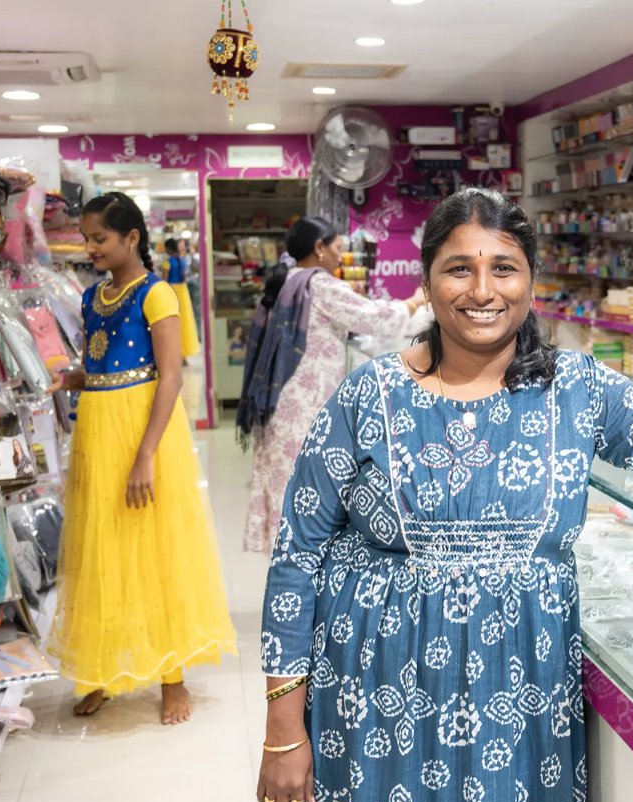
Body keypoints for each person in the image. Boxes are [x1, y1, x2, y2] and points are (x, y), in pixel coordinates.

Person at [255, 188, 633, 802]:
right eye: (459, 269)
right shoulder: (370, 396)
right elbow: (296, 558)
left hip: (519, 705)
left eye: (504, 269)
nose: (483, 291)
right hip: (374, 701)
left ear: (532, 281)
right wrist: (283, 728)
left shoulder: (575, 387)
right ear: (425, 283)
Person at [47, 192, 237, 725]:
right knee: (101, 547)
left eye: (99, 238)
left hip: (143, 432)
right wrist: (72, 378)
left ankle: (172, 676)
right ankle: (101, 669)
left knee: (154, 548)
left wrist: (146, 455)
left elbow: (171, 375)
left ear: (132, 237)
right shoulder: (91, 297)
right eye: (85, 238)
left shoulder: (157, 294)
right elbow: (99, 362)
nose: (89, 248)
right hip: (97, 430)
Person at [237, 216, 427, 554]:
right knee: (308, 493)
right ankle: (303, 567)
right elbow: (375, 318)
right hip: (307, 408)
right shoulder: (320, 285)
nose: (341, 256)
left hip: (281, 404)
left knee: (285, 488)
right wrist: (415, 301)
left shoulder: (285, 282)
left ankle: (287, 562)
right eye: (338, 248)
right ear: (319, 248)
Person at [161, 238, 202, 358]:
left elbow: (164, 281)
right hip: (183, 291)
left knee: (173, 321)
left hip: (172, 291)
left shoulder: (167, 263)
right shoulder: (183, 261)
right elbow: (184, 277)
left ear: (168, 249)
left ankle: (175, 351)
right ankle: (185, 350)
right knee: (185, 320)